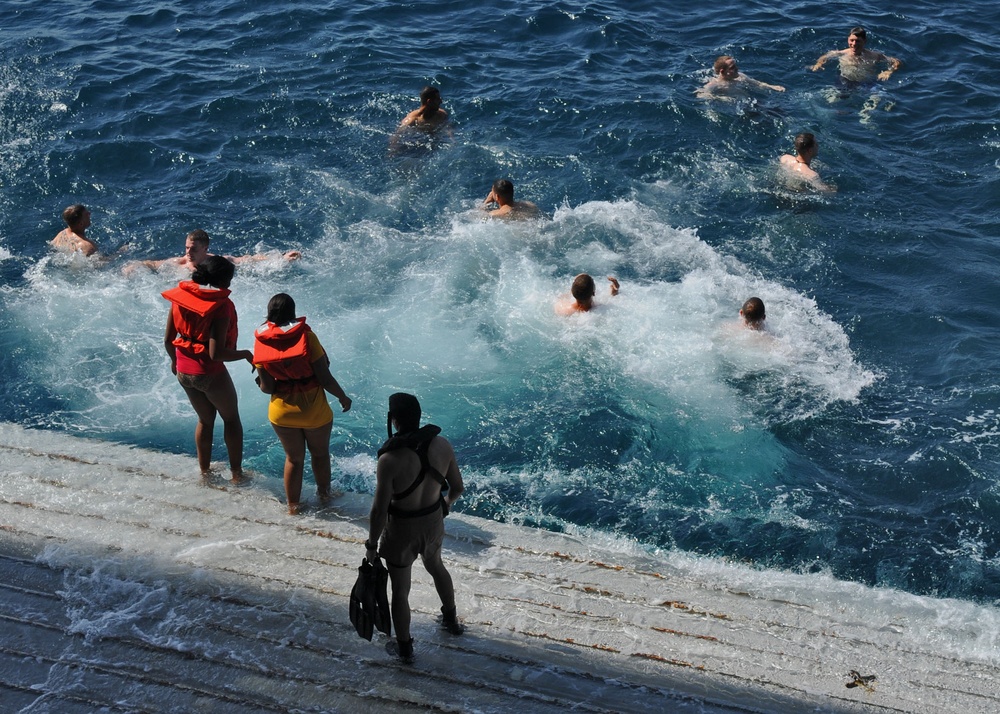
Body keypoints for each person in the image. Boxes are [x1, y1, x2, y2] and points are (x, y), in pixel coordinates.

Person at [366, 393, 465, 663]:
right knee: (436, 565)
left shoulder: (389, 460)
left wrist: (372, 545)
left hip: (401, 528)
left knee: (400, 590)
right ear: (419, 417)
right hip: (432, 522)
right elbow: (457, 488)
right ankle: (451, 620)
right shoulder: (442, 445)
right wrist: (445, 503)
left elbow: (379, 510)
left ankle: (406, 647)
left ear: (393, 420)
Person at [253, 293, 353, 515]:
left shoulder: (261, 340)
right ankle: (325, 495)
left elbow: (267, 388)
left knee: (293, 459)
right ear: (293, 312)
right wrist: (342, 397)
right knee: (319, 454)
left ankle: (293, 507)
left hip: (281, 412)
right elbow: (324, 378)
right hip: (313, 409)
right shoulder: (308, 337)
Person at [163, 256, 253, 483]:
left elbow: (167, 340)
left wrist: (176, 362)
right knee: (231, 419)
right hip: (208, 372)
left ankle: (204, 472)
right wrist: (246, 355)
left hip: (183, 370)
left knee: (205, 420)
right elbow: (216, 353)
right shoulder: (220, 307)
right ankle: (236, 475)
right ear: (224, 281)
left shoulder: (180, 299)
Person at [130, 229, 300, 273]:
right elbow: (152, 264)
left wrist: (282, 258)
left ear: (205, 249)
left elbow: (248, 259)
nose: (188, 252)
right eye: (187, 248)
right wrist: (136, 265)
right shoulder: (179, 262)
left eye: (193, 249)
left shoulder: (216, 262)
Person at [811, 27, 901, 84]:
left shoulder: (875, 55)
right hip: (844, 81)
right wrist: (818, 64)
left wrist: (888, 71)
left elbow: (896, 61)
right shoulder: (842, 53)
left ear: (864, 41)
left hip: (867, 82)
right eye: (851, 40)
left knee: (876, 105)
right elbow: (825, 56)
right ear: (848, 40)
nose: (854, 44)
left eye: (858, 41)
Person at [696, 56, 785, 99]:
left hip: (753, 103)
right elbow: (700, 95)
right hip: (741, 111)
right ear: (723, 71)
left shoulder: (740, 76)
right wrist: (723, 99)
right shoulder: (715, 84)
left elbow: (757, 83)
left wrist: (772, 87)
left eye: (735, 66)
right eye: (732, 68)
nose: (737, 69)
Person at [555, 273, 620, 315]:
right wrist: (615, 290)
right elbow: (612, 298)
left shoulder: (563, 310)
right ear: (594, 293)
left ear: (572, 292)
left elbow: (561, 297)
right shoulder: (601, 309)